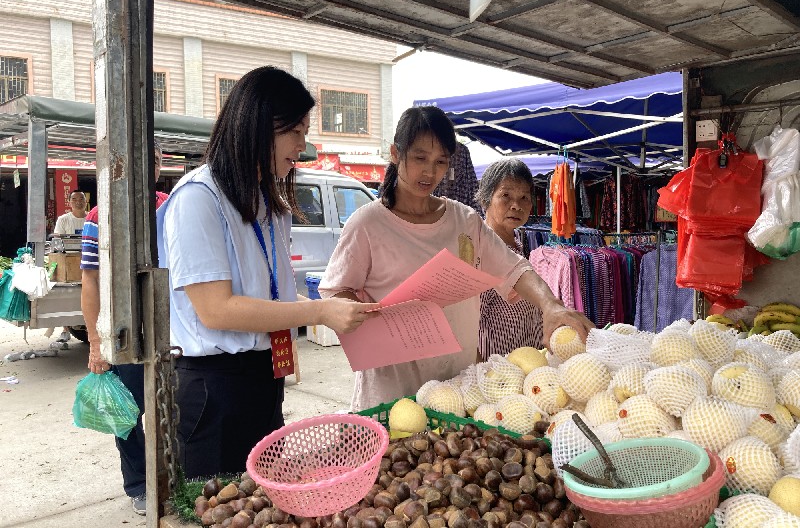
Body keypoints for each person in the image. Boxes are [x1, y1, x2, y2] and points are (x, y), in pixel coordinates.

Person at [156, 66, 378, 479]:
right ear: (257, 125)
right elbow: (217, 311)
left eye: (304, 131)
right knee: (217, 507)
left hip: (264, 375)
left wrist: (327, 307)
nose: (302, 145)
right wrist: (317, 313)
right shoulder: (199, 198)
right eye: (294, 131)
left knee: (262, 503)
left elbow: (271, 296)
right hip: (214, 386)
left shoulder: (268, 203)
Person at [319, 106, 594, 411]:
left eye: (440, 162)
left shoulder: (463, 221)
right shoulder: (367, 224)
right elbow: (336, 293)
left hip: (455, 391)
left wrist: (550, 306)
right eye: (420, 158)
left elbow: (515, 267)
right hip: (392, 393)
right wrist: (371, 317)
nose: (429, 172)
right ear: (396, 154)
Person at [80, 140, 168, 516]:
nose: (142, 168)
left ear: (158, 168)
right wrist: (95, 342)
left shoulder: (170, 206)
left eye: (150, 161)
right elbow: (90, 282)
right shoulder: (98, 217)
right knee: (126, 414)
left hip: (168, 328)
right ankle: (138, 484)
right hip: (123, 330)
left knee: (171, 407)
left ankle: (170, 474)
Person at [476, 158, 544, 357]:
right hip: (497, 368)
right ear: (486, 200)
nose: (516, 205)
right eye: (506, 195)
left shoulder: (518, 245)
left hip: (526, 361)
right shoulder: (480, 251)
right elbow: (470, 322)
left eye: (524, 197)